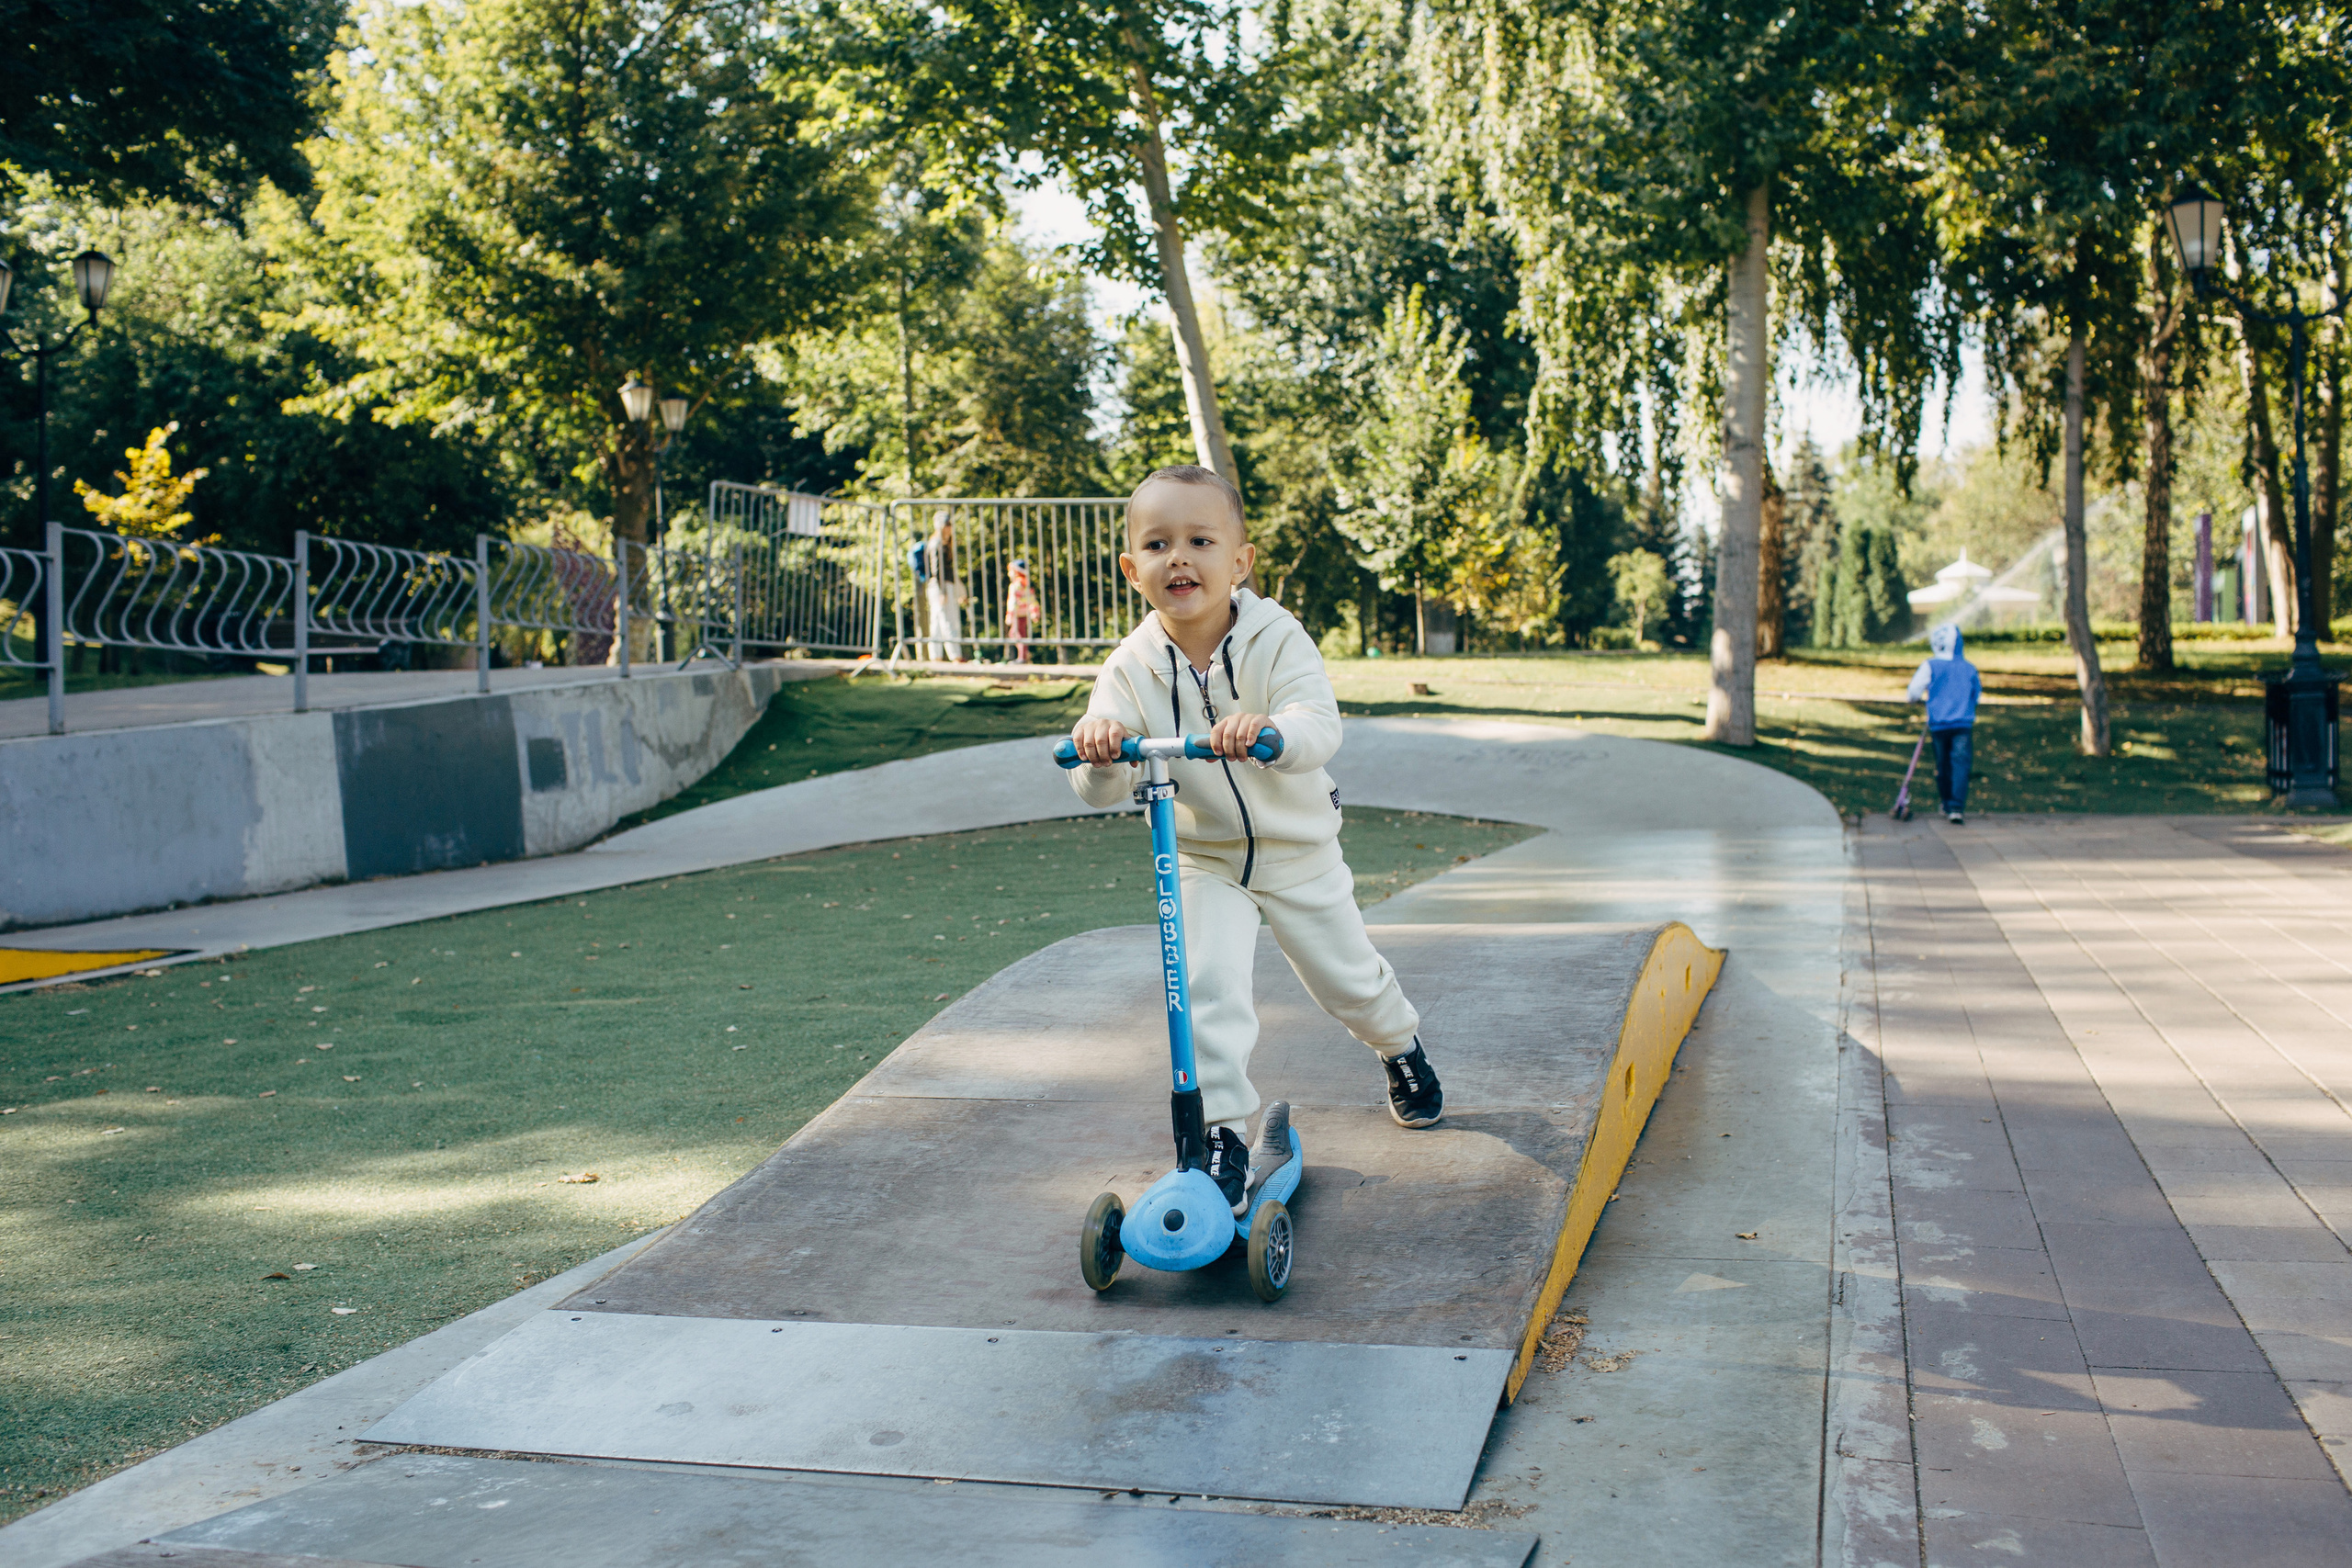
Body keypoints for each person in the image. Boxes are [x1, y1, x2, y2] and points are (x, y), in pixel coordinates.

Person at [1068, 464, 1442, 1214]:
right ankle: (1221, 1138)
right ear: (1132, 569)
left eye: (1201, 541)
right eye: (1157, 544)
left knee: (1347, 980)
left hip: (1297, 849)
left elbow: (1317, 722)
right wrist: (1099, 749)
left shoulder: (1277, 637)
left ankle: (1399, 1046)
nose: (1179, 557)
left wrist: (1272, 731)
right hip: (1203, 857)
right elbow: (1097, 782)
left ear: (1240, 560)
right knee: (1206, 986)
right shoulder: (1130, 668)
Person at [1906, 622, 1982, 824]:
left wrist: (1919, 701)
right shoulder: (1969, 668)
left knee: (1943, 764)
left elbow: (1913, 692)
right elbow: (1977, 694)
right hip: (1963, 724)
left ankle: (1947, 803)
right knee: (1960, 764)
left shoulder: (1931, 665)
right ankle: (1956, 807)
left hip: (1939, 724)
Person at [924, 519, 964, 662]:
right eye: (948, 525)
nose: (950, 528)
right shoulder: (937, 544)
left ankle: (936, 656)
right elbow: (937, 569)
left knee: (937, 620)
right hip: (941, 586)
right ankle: (955, 655)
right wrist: (942, 591)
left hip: (939, 585)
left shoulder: (940, 543)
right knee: (948, 619)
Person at [1006, 557, 1042, 664]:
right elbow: (1032, 600)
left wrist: (1010, 615)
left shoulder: (1015, 585)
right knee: (1020, 634)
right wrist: (1035, 612)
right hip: (1024, 613)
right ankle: (1024, 655)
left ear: (1016, 572)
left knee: (1016, 634)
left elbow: (1013, 602)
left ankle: (1022, 657)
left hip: (1017, 614)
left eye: (1010, 571)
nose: (1009, 574)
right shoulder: (1026, 584)